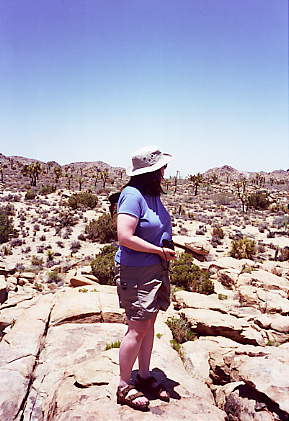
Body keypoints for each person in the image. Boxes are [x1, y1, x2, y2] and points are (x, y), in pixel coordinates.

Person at [114, 145, 176, 411]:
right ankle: (122, 385)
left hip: (154, 269)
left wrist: (164, 247)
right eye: (161, 167)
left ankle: (144, 376)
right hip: (136, 270)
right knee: (137, 328)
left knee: (148, 326)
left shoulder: (151, 195)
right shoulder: (131, 195)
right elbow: (124, 237)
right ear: (151, 171)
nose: (165, 170)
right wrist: (158, 250)